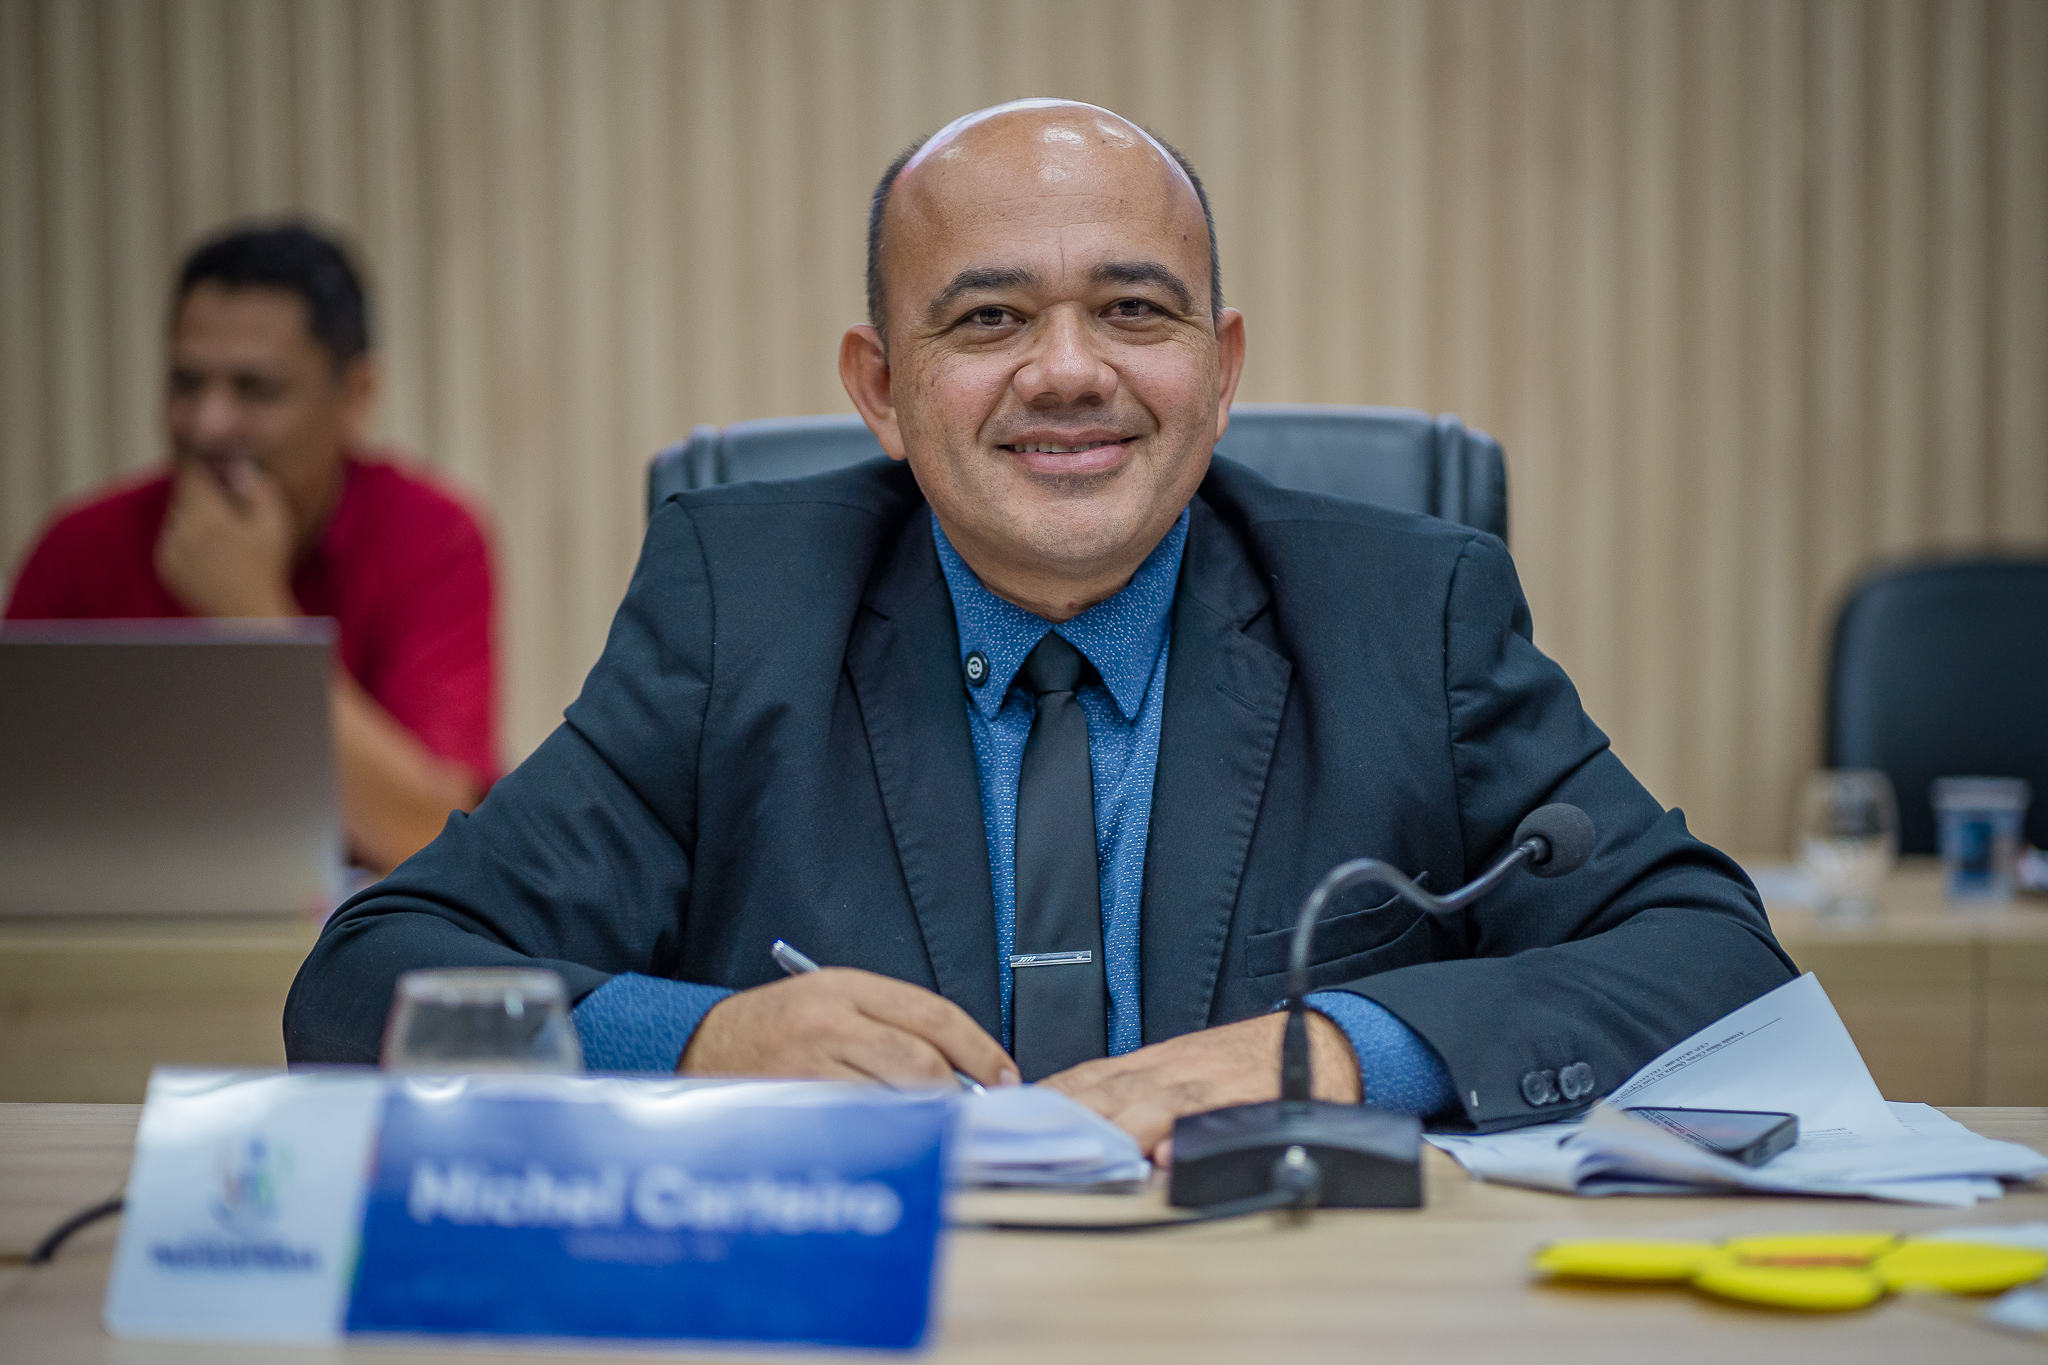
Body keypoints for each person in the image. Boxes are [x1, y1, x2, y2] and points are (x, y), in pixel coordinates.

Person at [284, 100, 1792, 1154]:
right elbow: (373, 974)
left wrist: (1338, 1050)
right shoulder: (741, 602)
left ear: (1220, 368)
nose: (1068, 372)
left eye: (1134, 311)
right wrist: (702, 1043)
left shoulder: (1408, 609)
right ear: (880, 388)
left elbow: (1711, 957)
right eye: (989, 319)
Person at [6, 223, 497, 874]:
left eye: (256, 390)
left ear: (356, 394)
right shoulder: (81, 546)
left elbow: (428, 832)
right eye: (186, 384)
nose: (208, 424)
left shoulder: (431, 537)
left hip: (354, 925)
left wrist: (257, 614)